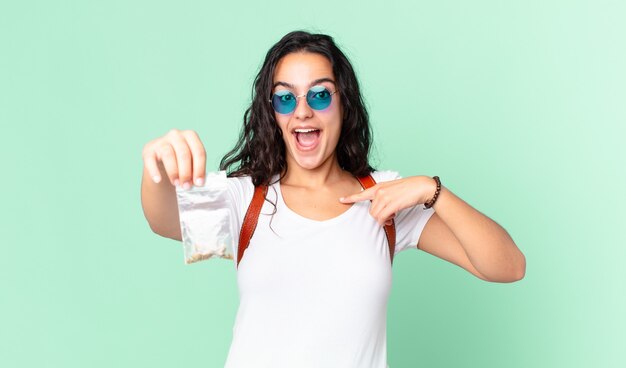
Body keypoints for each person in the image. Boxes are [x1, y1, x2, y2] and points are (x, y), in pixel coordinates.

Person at [141, 30, 526, 368]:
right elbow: (164, 220)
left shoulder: (383, 199)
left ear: (344, 104)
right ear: (271, 111)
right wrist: (156, 165)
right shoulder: (248, 196)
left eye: (321, 95)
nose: (303, 111)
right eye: (285, 99)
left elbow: (507, 267)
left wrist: (433, 191)